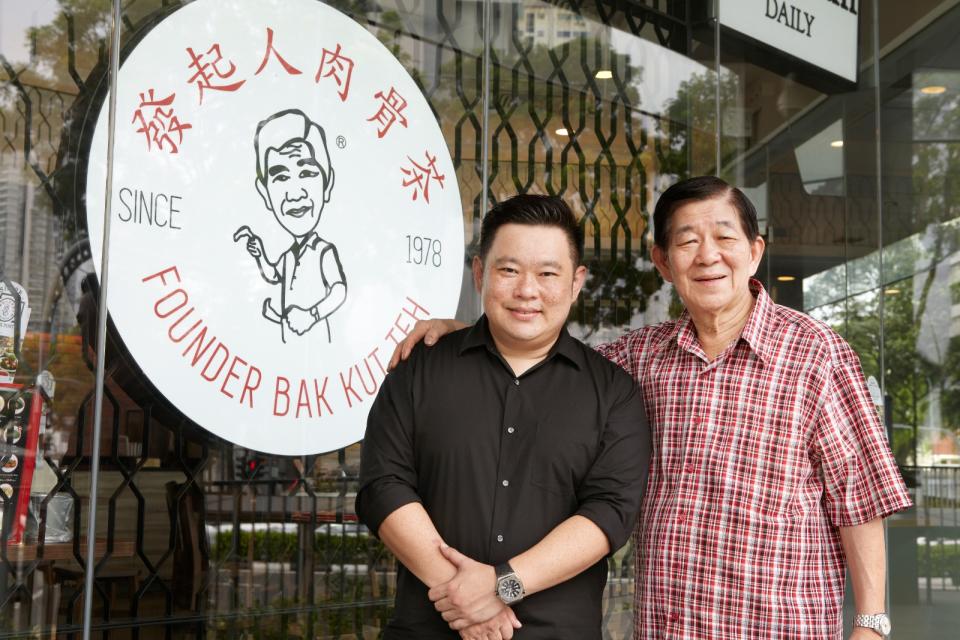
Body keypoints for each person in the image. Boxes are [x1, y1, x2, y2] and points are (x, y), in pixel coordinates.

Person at [391, 176, 912, 639]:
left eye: (725, 238)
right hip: (669, 625)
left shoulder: (817, 353)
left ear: (754, 252)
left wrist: (870, 623)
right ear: (663, 261)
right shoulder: (637, 359)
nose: (708, 256)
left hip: (781, 622)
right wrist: (469, 334)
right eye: (687, 241)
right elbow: (543, 351)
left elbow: (859, 500)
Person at [356, 194, 651, 639]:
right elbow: (383, 485)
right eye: (509, 270)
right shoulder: (421, 368)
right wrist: (462, 596)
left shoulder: (614, 393)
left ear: (576, 282)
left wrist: (501, 587)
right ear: (479, 273)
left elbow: (608, 513)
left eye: (548, 274)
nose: (527, 291)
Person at [234, 108, 347, 343]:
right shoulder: (288, 255)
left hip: (318, 351)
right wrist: (259, 253)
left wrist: (311, 315)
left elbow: (339, 290)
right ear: (265, 193)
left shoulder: (323, 250)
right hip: (290, 347)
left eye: (306, 173)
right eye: (281, 177)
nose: (295, 194)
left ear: (328, 185)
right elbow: (275, 274)